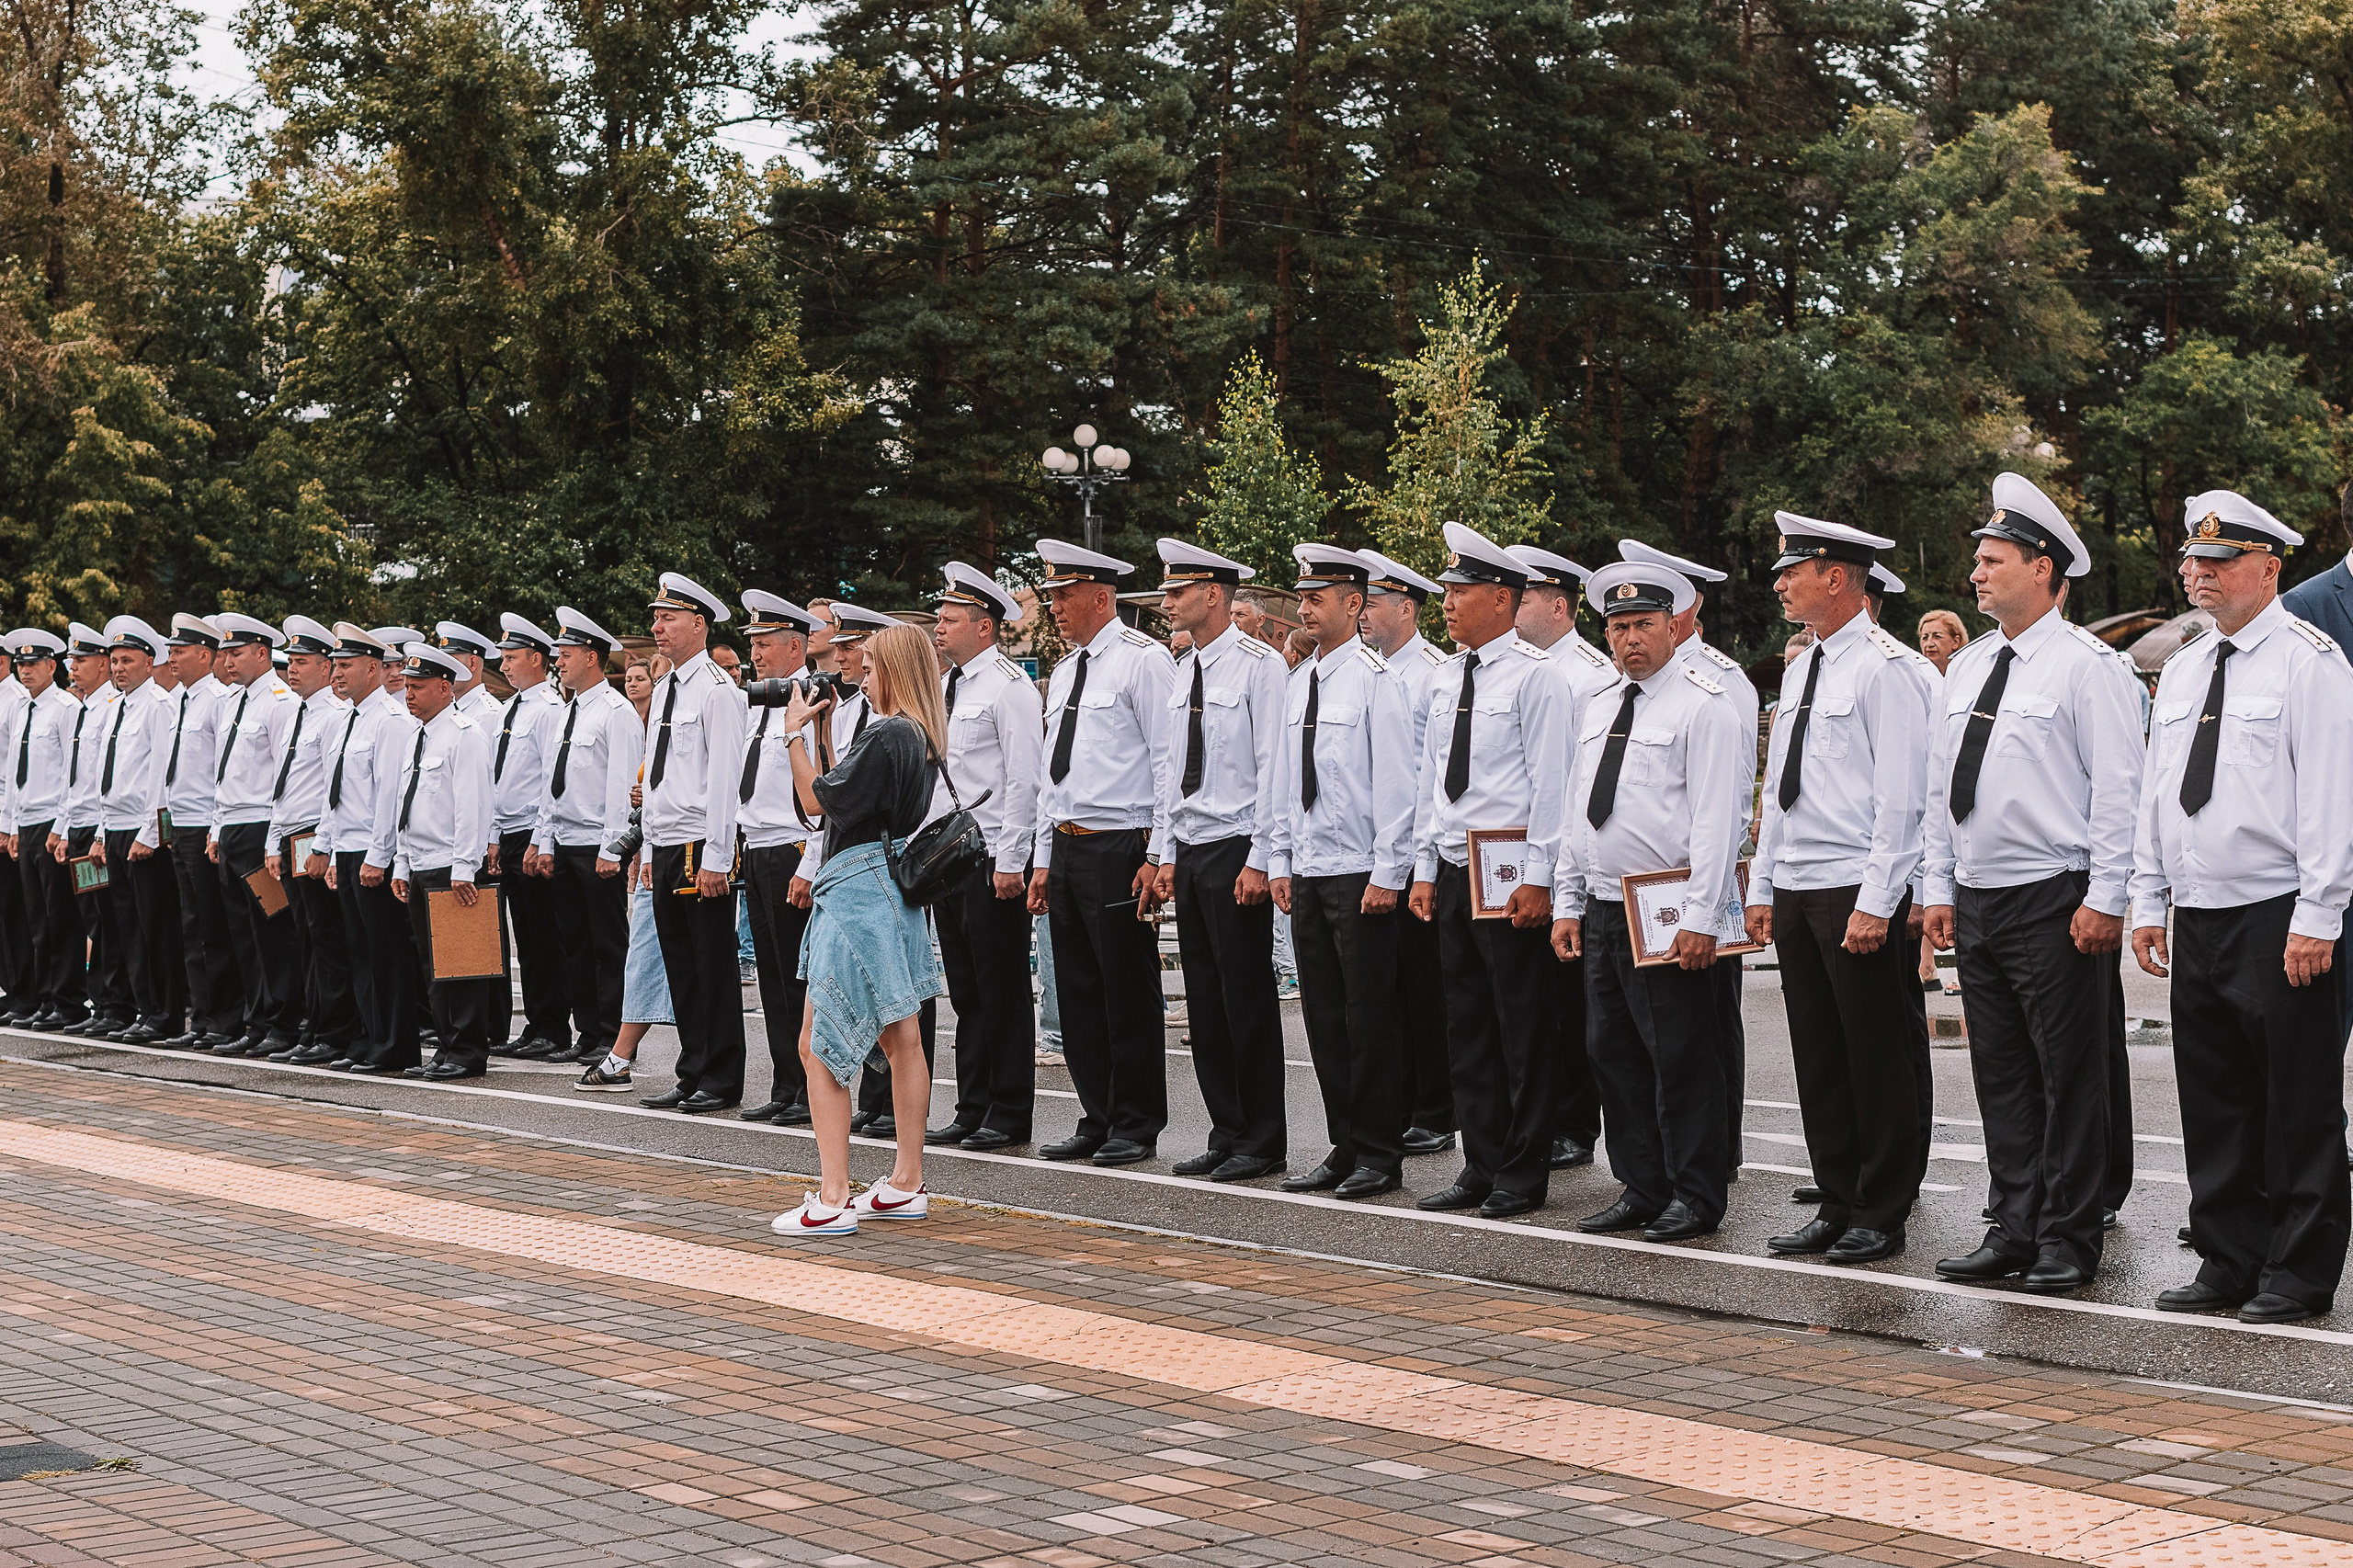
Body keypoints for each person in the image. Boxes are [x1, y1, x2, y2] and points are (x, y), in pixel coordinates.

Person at [2131, 490, 2353, 1325]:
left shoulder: (2311, 660)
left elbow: (2334, 797)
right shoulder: (2188, 665)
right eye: (2193, 560)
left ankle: (2298, 1272)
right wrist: (2149, 898)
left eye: (2219, 562)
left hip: (2276, 911)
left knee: (2295, 1101)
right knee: (2215, 1095)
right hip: (2201, 910)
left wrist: (2319, 915)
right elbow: (2160, 794)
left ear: (2268, 567)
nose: (2199, 574)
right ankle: (2229, 1258)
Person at [1919, 475, 2142, 1293]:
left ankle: (2069, 1238)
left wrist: (2107, 897)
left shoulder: (2091, 670)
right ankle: (2014, 1225)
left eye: (1993, 559)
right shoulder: (1969, 667)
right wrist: (1936, 886)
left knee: (2070, 1075)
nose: (1976, 573)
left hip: (2056, 896)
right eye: (1977, 560)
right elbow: (1942, 790)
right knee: (2001, 1073)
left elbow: (2121, 791)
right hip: (1979, 896)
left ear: (2044, 569)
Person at [1744, 516, 1935, 1264]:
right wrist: (1762, 885)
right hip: (1798, 883)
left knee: (1876, 1053)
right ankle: (1835, 1195)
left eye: (1794, 569)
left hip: (1855, 883)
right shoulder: (1801, 668)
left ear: (1836, 576)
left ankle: (1881, 1207)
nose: (1781, 581)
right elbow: (1781, 793)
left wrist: (1878, 899)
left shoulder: (1887, 669)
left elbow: (1901, 798)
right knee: (1819, 1053)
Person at [1555, 561, 1745, 1240]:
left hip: (1666, 905)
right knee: (1614, 1053)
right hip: (1605, 903)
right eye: (1618, 626)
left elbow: (1717, 821)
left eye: (1643, 625)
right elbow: (1579, 810)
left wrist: (1701, 917)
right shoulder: (1601, 702)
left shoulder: (1703, 703)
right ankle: (1641, 1185)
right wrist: (1566, 901)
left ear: (1673, 627)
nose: (1629, 638)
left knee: (1682, 1057)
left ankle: (1695, 1195)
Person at [1407, 522, 1570, 1219]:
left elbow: (1552, 785)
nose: (1447, 602)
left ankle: (1522, 1171)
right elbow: (1430, 781)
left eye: (1462, 590)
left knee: (1522, 1026)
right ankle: (1481, 1161)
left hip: (1509, 871)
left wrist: (1540, 875)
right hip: (1452, 865)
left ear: (1503, 600)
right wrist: (1421, 866)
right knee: (1466, 1024)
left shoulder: (1539, 680)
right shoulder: (1447, 678)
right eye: (1445, 590)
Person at [769, 622, 948, 1236]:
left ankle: (833, 1196)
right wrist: (819, 732)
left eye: (869, 667)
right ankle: (905, 1180)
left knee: (819, 1048)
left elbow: (816, 804)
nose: (860, 678)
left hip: (854, 890)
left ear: (895, 670)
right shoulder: (916, 735)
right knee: (903, 1040)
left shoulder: (887, 732)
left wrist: (791, 730)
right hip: (890, 888)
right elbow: (840, 795)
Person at [1271, 544, 1415, 1199]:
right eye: (1302, 597)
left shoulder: (1378, 680)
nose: (1303, 607)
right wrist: (1279, 860)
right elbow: (1282, 780)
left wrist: (1390, 872)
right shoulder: (1299, 681)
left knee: (1370, 1019)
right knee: (1324, 1017)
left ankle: (1380, 1154)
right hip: (1309, 868)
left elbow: (1396, 784)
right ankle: (1343, 1143)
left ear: (1353, 604)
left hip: (1360, 870)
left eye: (1316, 598)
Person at [1617, 538, 1762, 1184]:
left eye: (1651, 611)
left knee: (1698, 1035)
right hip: (1626, 890)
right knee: (1626, 1046)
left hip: (1687, 885)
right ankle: (1654, 1173)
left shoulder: (1719, 683)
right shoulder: (1616, 688)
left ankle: (1712, 1154)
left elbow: (1727, 800)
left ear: (1684, 607)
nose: (1634, 631)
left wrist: (1713, 897)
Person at [1029, 538, 1176, 1166]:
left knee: (1126, 987)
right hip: (1068, 844)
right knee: (1080, 988)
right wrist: (1041, 859)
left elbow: (1168, 761)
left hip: (1121, 843)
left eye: (1064, 595)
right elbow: (1049, 777)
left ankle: (1136, 1121)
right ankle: (1098, 1113)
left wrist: (1160, 850)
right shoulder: (1065, 670)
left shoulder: (1143, 661)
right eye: (1051, 597)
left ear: (1100, 595)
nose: (1055, 607)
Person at [1153, 539, 1290, 1182]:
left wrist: (1263, 857)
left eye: (1177, 591)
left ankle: (1262, 1140)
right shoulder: (1182, 671)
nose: (1166, 601)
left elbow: (1273, 768)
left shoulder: (1260, 666)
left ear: (1213, 593)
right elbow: (1167, 773)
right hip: (1194, 846)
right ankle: (1225, 1130)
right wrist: (1164, 853)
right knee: (1204, 1003)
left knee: (1246, 999)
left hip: (1239, 845)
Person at [1506, 544, 1618, 1174]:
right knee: (1531, 1005)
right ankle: (1541, 1116)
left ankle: (1575, 1123)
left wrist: (1556, 878)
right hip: (1512, 859)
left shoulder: (1587, 672)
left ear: (1558, 605)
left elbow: (1578, 784)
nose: (1515, 609)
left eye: (1523, 598)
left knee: (1568, 1004)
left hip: (1560, 860)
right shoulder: (1518, 668)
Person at [924, 562, 1043, 1151]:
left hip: (990, 854)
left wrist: (1011, 859)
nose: (938, 628)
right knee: (966, 991)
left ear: (985, 626)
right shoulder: (949, 687)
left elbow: (1024, 779)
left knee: (1001, 989)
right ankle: (972, 1104)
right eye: (939, 618)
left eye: (949, 619)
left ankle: (1009, 1109)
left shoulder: (1008, 687)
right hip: (949, 858)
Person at [637, 573, 750, 1113]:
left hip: (697, 844)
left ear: (698, 623)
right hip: (664, 842)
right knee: (679, 963)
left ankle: (721, 1074)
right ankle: (692, 1067)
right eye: (657, 617)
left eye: (669, 618)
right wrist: (646, 843)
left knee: (711, 962)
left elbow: (726, 780)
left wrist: (717, 857)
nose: (657, 627)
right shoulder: (665, 687)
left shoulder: (718, 690)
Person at [1357, 549, 1456, 1157]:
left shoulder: (1434, 674)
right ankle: (1399, 1101)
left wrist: (1417, 862)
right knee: (1385, 990)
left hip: (1421, 854)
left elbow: (1430, 779)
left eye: (1372, 603)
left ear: (1408, 608)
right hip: (1374, 853)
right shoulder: (1374, 672)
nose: (1363, 613)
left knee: (1425, 987)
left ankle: (1436, 1109)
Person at [529, 608, 635, 1072]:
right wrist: (544, 842)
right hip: (567, 839)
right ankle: (587, 1030)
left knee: (606, 945)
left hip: (598, 843)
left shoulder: (617, 713)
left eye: (566, 655)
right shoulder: (566, 711)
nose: (559, 663)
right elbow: (552, 786)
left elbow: (620, 786)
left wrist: (615, 848)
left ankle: (610, 1034)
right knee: (573, 941)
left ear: (592, 657)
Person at [317, 624, 422, 1074]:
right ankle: (368, 1036)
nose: (336, 673)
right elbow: (333, 792)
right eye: (336, 665)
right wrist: (327, 846)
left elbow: (389, 797)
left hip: (372, 851)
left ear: (375, 668)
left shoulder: (390, 721)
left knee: (387, 954)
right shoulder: (344, 719)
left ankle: (395, 1045)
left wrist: (380, 857)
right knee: (358, 951)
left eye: (346, 665)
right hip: (348, 847)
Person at [389, 643, 497, 1079]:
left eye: (418, 686)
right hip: (420, 860)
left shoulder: (465, 733)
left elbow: (473, 805)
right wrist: (400, 862)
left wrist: (463, 866)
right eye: (407, 686)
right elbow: (406, 804)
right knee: (432, 965)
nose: (409, 694)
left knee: (461, 963)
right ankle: (447, 1046)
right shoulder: (419, 734)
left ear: (445, 687)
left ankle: (468, 1051)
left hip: (450, 864)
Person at [735, 589, 822, 1124]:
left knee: (798, 979)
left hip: (792, 847)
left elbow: (820, 792)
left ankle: (809, 1084)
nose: (757, 654)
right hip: (759, 848)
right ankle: (785, 1083)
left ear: (796, 647)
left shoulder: (812, 702)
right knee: (770, 977)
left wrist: (810, 862)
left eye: (766, 644)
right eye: (755, 643)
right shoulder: (762, 702)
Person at [205, 613, 303, 1056]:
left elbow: (285, 776)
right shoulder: (231, 701)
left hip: (263, 825)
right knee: (242, 931)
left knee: (273, 930)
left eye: (236, 653)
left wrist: (273, 841)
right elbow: (223, 774)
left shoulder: (279, 701)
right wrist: (215, 827)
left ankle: (284, 1021)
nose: (227, 662)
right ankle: (257, 1019)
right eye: (224, 653)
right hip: (232, 825)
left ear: (262, 653)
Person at [260, 616, 357, 1063]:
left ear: (326, 667)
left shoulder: (335, 716)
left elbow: (330, 791)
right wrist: (273, 841)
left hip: (316, 837)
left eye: (303, 661)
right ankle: (314, 1025)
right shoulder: (294, 712)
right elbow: (283, 787)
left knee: (326, 937)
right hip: (292, 836)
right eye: (290, 661)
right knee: (306, 936)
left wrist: (323, 845)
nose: (292, 669)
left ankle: (334, 1030)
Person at [153, 615, 241, 1049]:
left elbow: (221, 773)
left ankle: (225, 1019)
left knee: (213, 928)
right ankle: (203, 1019)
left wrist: (215, 828)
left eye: (179, 651)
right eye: (170, 651)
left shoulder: (220, 701)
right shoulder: (180, 701)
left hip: (207, 826)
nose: (171, 658)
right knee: (192, 927)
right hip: (181, 826)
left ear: (205, 656)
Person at [483, 613, 567, 1058]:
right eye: (503, 657)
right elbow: (501, 783)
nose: (506, 665)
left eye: (512, 657)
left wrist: (541, 838)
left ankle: (553, 1027)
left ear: (538, 658)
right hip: (511, 832)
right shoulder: (510, 711)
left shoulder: (550, 710)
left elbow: (548, 783)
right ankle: (536, 1024)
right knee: (528, 939)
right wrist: (496, 834)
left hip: (534, 834)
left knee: (544, 936)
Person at [4, 631, 83, 1028]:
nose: (26, 670)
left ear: (53, 666)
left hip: (53, 822)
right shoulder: (23, 710)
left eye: (33, 664)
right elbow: (16, 775)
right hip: (29, 822)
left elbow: (73, 772)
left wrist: (63, 826)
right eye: (21, 665)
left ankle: (66, 1000)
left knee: (59, 917)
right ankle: (44, 997)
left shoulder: (65, 707)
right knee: (36, 920)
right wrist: (14, 825)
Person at [55, 623, 127, 1037]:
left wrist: (100, 833)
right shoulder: (82, 709)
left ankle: (115, 1004)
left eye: (81, 661)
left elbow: (108, 780)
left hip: (101, 827)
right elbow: (75, 778)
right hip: (81, 825)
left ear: (102, 665)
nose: (74, 668)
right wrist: (65, 828)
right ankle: (101, 1001)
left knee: (106, 920)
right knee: (91, 917)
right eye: (71, 661)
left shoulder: (110, 708)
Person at [435, 622, 502, 726]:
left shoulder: (487, 715)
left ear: (472, 663)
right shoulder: (447, 707)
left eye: (451, 662)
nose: (444, 669)